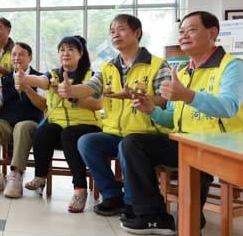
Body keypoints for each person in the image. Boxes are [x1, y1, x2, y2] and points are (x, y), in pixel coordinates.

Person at [120, 11, 243, 236]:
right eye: (181, 31)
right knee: (132, 143)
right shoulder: (182, 71)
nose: (184, 35)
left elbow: (229, 107)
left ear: (212, 33)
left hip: (218, 145)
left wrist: (186, 95)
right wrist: (152, 110)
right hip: (184, 141)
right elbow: (171, 120)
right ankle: (153, 215)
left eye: (191, 30)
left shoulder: (232, 66)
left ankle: (190, 230)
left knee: (194, 165)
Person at [59, 14, 172, 217]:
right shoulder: (109, 66)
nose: (115, 35)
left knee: (127, 145)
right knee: (86, 142)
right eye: (112, 31)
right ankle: (112, 195)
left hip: (145, 134)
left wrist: (139, 96)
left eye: (121, 29)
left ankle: (131, 201)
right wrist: (70, 90)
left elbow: (165, 100)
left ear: (137, 33)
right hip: (114, 132)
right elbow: (90, 88)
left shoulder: (157, 65)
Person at [22, 36, 103, 212]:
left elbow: (99, 104)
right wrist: (25, 79)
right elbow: (41, 81)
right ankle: (40, 176)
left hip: (86, 126)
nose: (65, 53)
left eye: (70, 49)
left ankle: (80, 189)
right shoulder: (53, 75)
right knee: (43, 131)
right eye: (62, 50)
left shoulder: (91, 76)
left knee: (69, 134)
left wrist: (73, 95)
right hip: (59, 126)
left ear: (80, 54)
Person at [0, 42, 46, 198]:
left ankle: (16, 175)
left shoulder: (39, 78)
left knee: (22, 127)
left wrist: (27, 88)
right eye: (14, 54)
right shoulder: (5, 79)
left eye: (21, 54)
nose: (17, 57)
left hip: (30, 122)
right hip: (7, 123)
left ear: (29, 58)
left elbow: (44, 105)